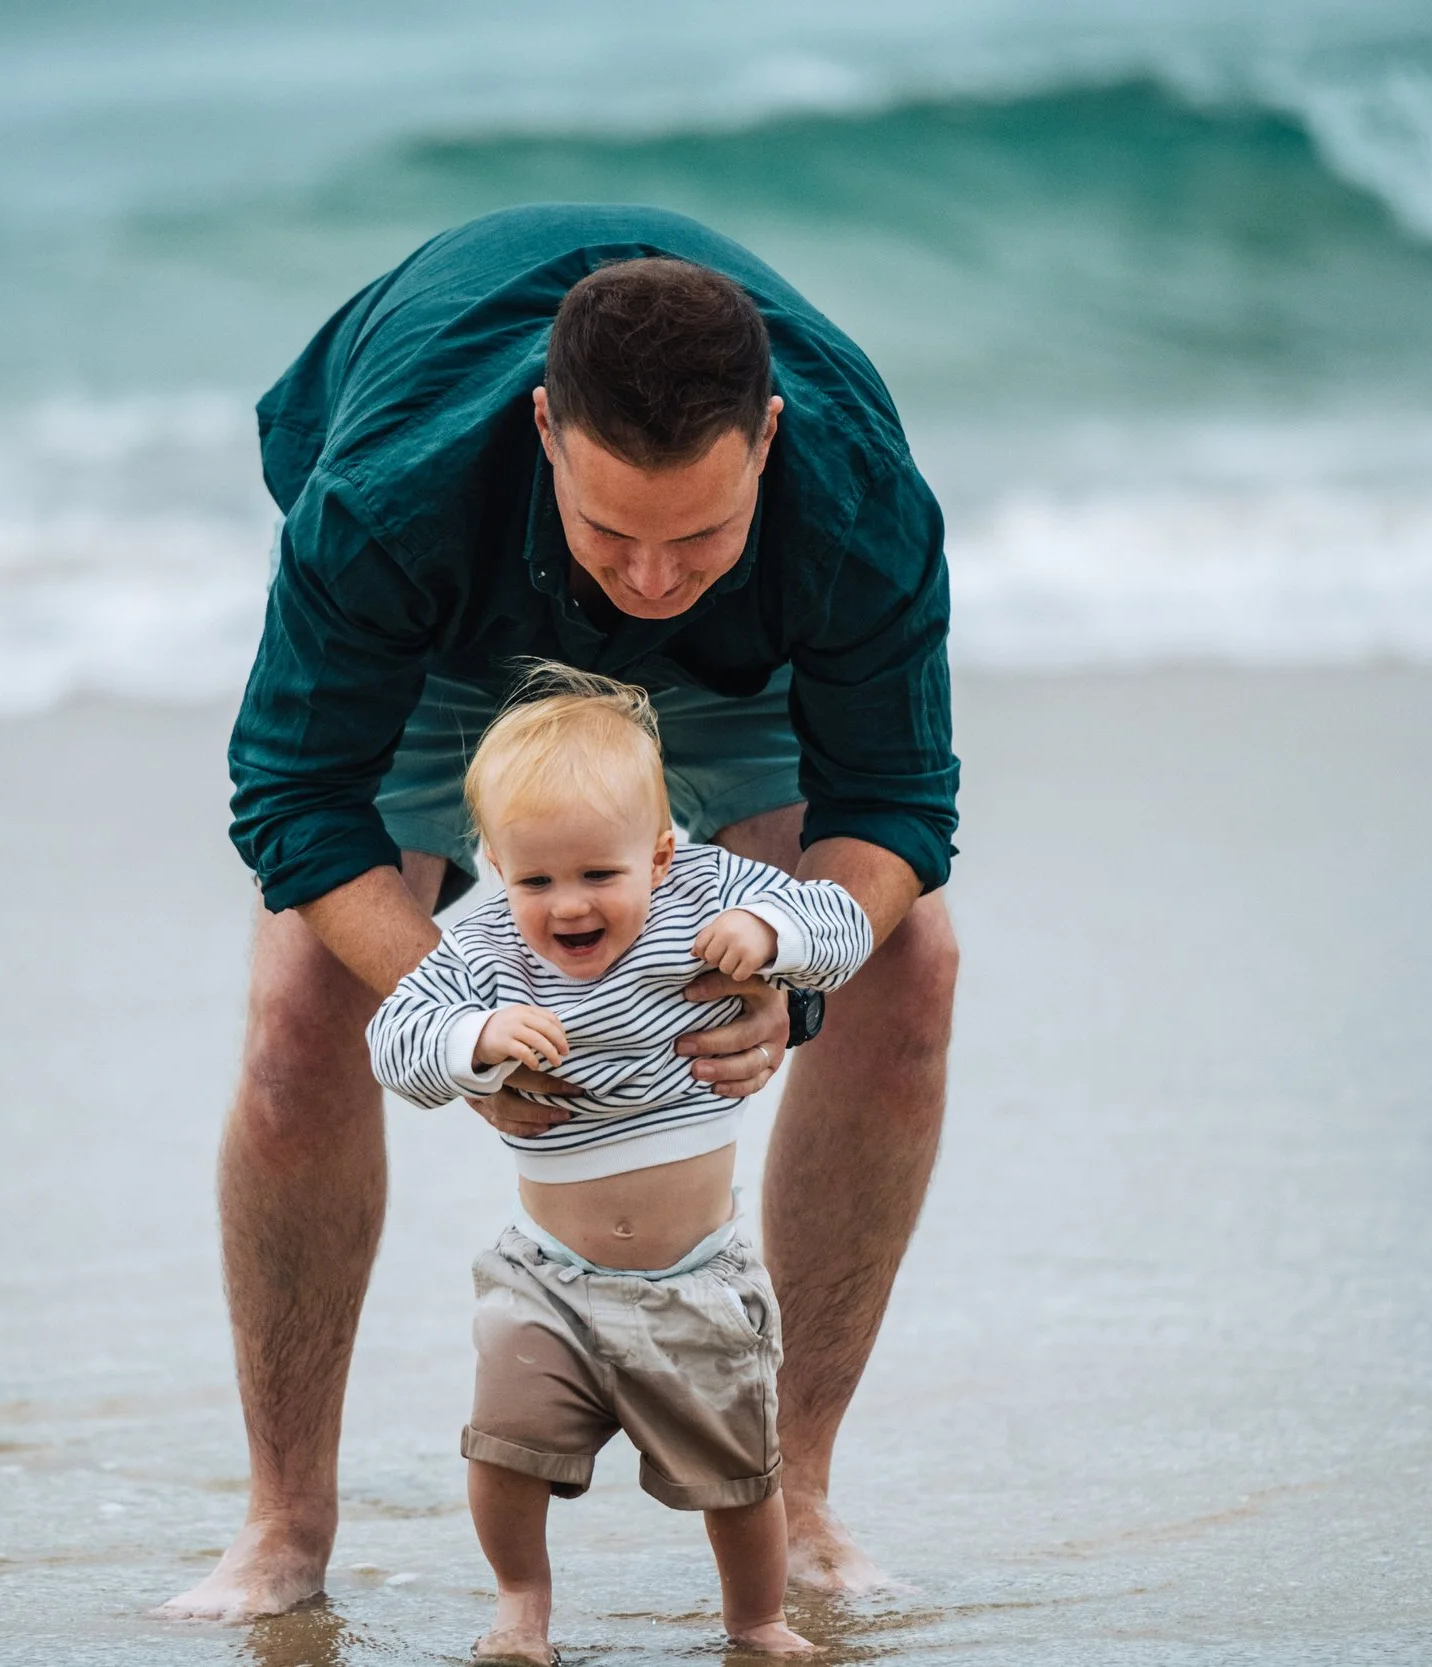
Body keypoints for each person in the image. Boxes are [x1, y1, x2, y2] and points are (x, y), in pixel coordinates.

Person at [157, 204, 959, 1623]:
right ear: (543, 429)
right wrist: (452, 1009)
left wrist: (800, 969)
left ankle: (802, 1489)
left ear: (768, 441)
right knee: (300, 1014)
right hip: (446, 622)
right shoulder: (391, 496)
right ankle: (284, 1524)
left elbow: (896, 806)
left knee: (915, 969)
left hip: (743, 662)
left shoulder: (857, 502)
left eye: (698, 532)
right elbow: (291, 796)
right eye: (614, 530)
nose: (650, 580)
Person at [367, 667, 872, 1661]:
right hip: (546, 1274)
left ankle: (756, 1617)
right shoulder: (481, 948)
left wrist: (775, 933)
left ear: (659, 853)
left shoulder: (712, 891)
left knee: (740, 1475)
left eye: (599, 874)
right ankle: (520, 1601)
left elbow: (845, 925)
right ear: (496, 865)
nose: (566, 906)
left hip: (697, 1280)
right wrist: (472, 1035)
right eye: (534, 880)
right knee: (503, 1448)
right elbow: (393, 1037)